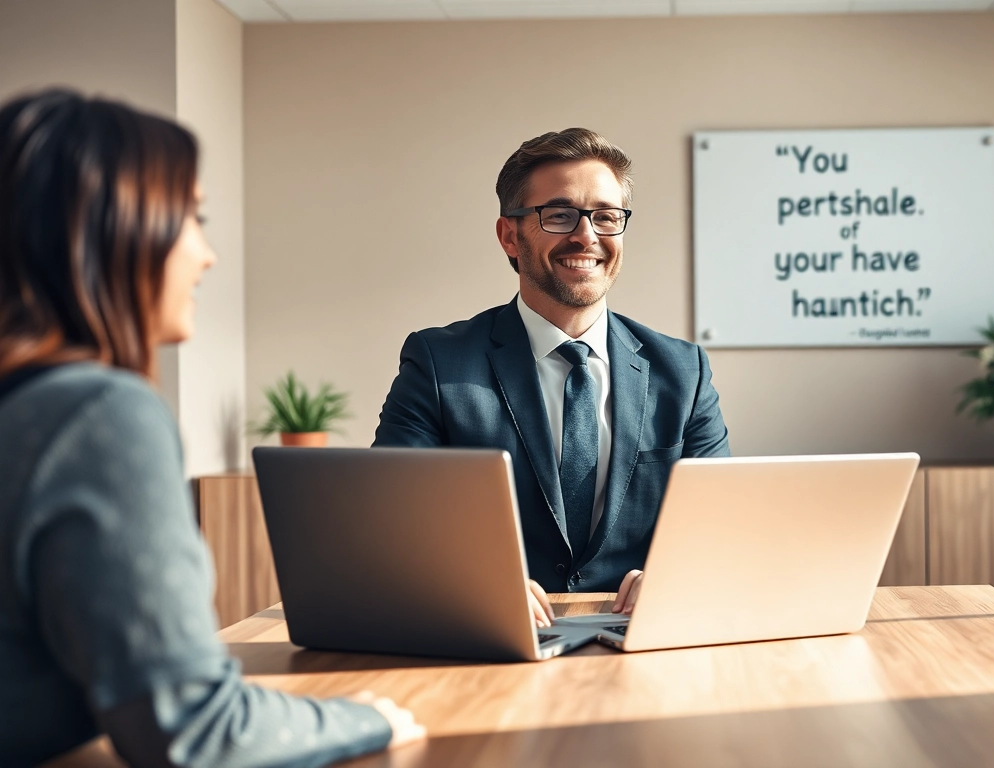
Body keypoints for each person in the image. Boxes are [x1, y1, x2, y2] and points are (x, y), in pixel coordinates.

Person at [0, 89, 424, 767]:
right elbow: (194, 729)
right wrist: (367, 718)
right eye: (190, 220)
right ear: (113, 234)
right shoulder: (95, 415)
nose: (206, 255)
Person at [374, 128, 730, 620]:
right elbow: (390, 516)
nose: (587, 236)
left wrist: (679, 575)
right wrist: (474, 580)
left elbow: (719, 521)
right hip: (489, 633)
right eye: (560, 215)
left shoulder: (683, 371)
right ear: (509, 235)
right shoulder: (437, 362)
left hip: (643, 634)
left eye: (606, 217)